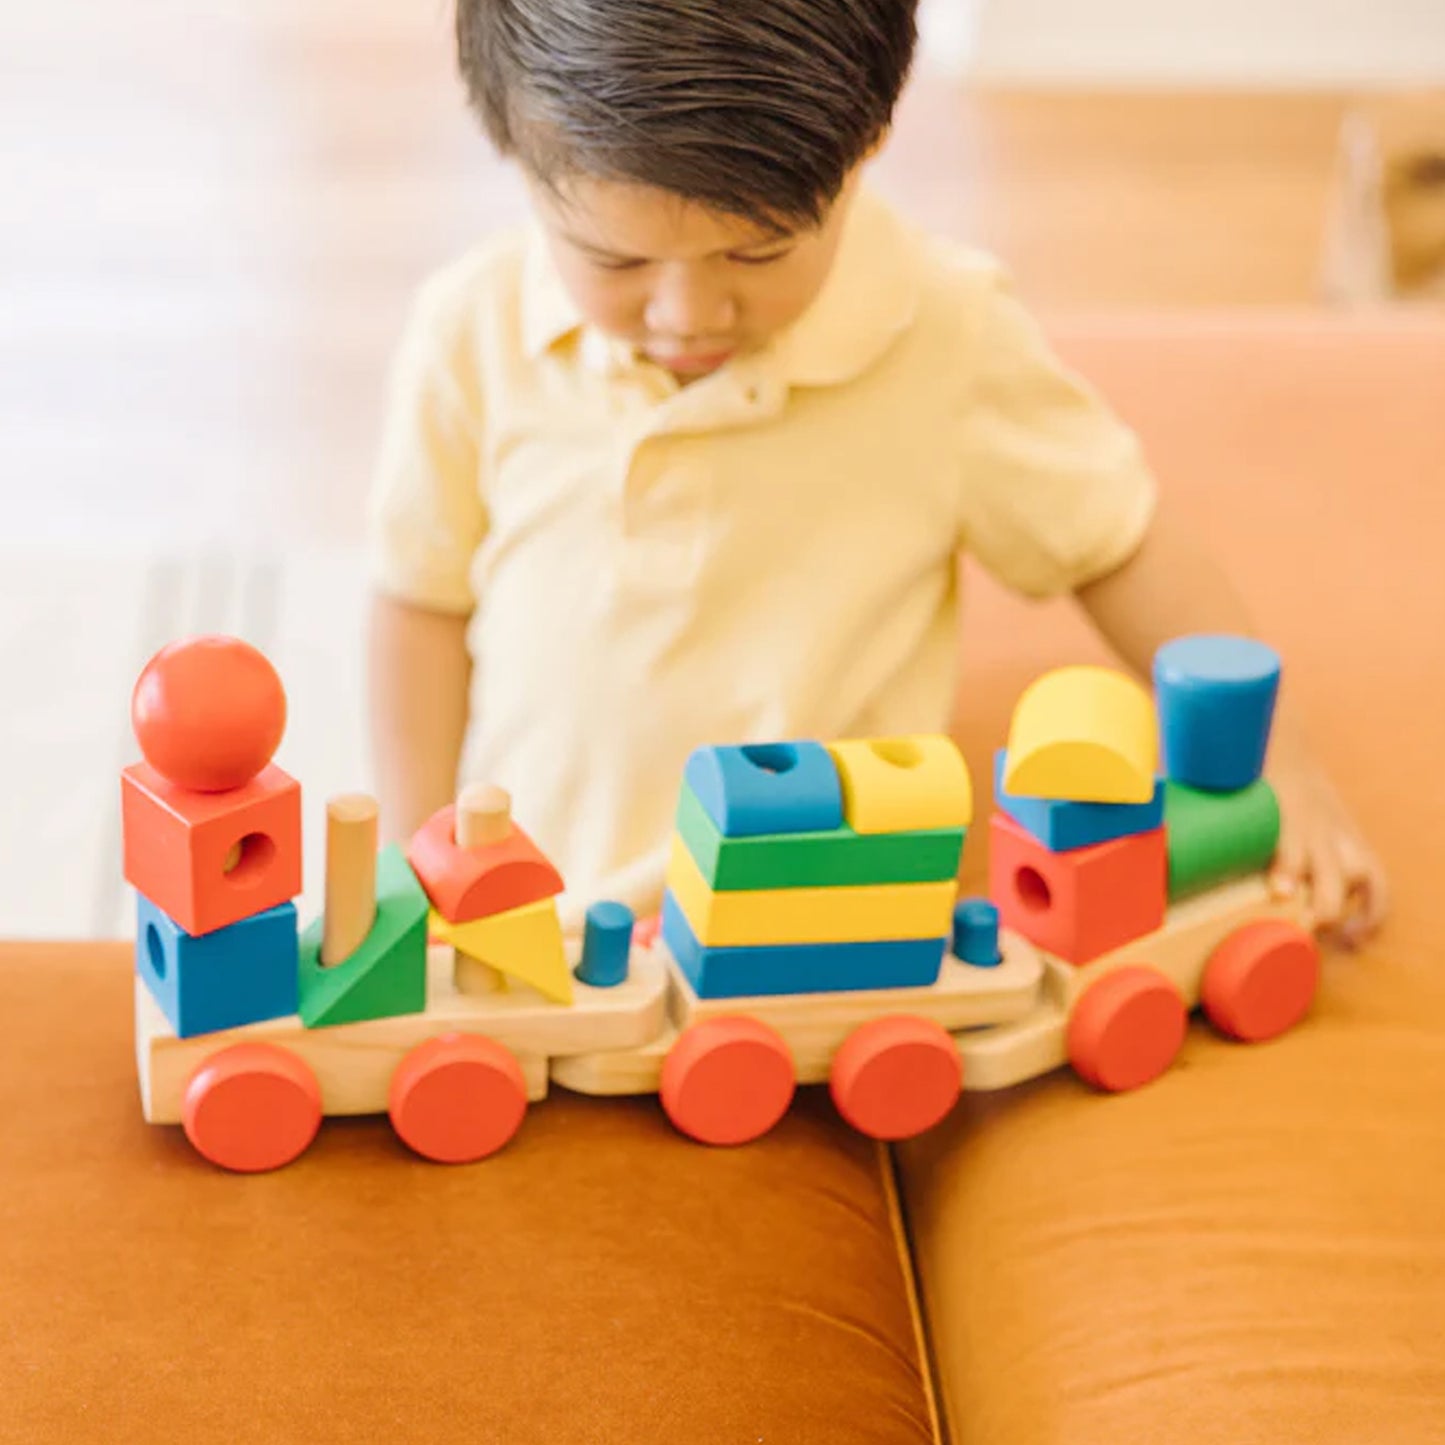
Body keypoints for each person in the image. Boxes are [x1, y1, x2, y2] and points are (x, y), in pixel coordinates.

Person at [367, 0, 1386, 946]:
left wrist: (1271, 760)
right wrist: (422, 860)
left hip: (820, 930)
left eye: (757, 254)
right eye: (616, 261)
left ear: (868, 144)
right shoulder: (470, 334)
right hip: (536, 925)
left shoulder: (946, 337)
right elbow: (418, 603)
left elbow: (1117, 537)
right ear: (513, 157)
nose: (686, 315)